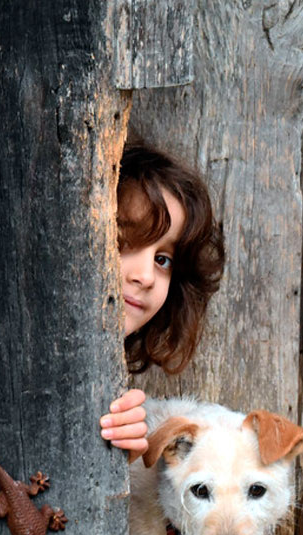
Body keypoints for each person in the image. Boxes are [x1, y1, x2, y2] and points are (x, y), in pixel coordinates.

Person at [98, 140, 225, 460]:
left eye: (162, 259)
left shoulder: (116, 393)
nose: (146, 276)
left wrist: (116, 461)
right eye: (122, 241)